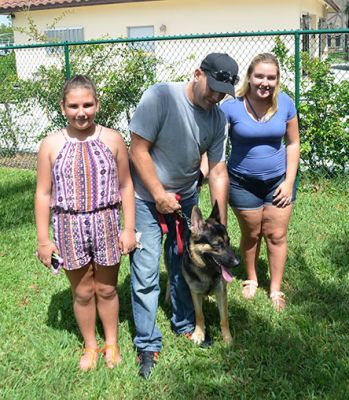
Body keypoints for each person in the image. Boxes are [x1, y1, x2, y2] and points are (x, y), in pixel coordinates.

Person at [129, 53, 239, 378]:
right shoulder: (161, 97)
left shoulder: (218, 119)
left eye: (223, 92)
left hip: (186, 197)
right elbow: (137, 149)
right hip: (146, 198)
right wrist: (159, 195)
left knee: (181, 263)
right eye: (213, 88)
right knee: (146, 271)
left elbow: (218, 170)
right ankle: (148, 343)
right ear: (197, 74)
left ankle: (184, 324)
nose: (216, 97)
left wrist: (219, 223)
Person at [35, 75, 136, 371]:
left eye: (88, 105)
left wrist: (128, 228)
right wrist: (44, 239)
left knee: (106, 289)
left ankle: (111, 343)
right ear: (63, 107)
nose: (82, 112)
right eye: (74, 106)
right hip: (68, 227)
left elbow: (126, 186)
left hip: (105, 222)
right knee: (81, 291)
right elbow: (43, 193)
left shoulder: (114, 139)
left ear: (97, 104)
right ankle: (91, 345)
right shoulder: (50, 144)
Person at [220, 53, 300, 311]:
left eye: (271, 77)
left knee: (276, 235)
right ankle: (252, 278)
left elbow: (293, 142)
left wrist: (288, 182)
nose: (265, 82)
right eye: (260, 76)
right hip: (242, 183)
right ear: (250, 77)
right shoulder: (231, 106)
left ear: (277, 80)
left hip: (279, 182)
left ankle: (275, 288)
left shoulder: (285, 104)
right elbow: (216, 145)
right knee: (252, 234)